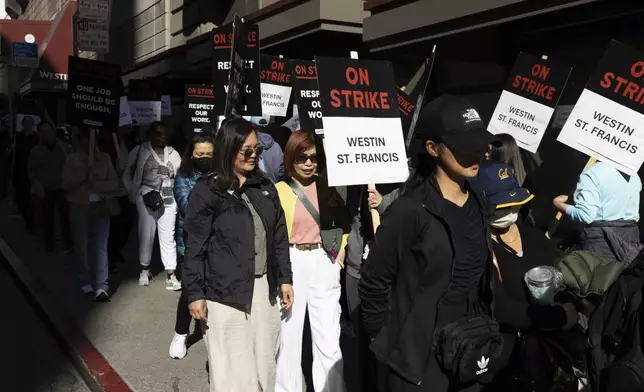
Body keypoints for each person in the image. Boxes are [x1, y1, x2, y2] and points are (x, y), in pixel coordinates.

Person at [359, 95, 502, 392]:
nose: (475, 152)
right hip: (418, 365)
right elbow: (374, 282)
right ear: (432, 149)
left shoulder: (478, 200)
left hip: (469, 352)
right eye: (463, 145)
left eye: (479, 142)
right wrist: (389, 341)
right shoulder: (409, 211)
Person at [183, 117, 293, 392]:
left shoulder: (265, 187)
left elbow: (278, 235)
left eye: (257, 150)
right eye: (247, 150)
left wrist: (285, 278)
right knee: (232, 368)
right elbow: (194, 245)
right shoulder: (208, 191)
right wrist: (195, 292)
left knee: (265, 364)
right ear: (229, 149)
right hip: (223, 294)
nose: (254, 156)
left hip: (262, 290)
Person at [473, 162, 579, 391]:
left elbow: (563, 270)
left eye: (514, 205)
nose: (508, 212)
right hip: (506, 360)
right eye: (500, 207)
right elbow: (498, 307)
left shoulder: (532, 235)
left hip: (546, 353)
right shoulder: (475, 248)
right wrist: (556, 317)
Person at [274, 130, 350, 392]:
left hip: (323, 259)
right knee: (288, 337)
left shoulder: (329, 186)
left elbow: (344, 224)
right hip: (292, 262)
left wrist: (338, 257)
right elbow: (274, 236)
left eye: (314, 158)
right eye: (301, 157)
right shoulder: (278, 191)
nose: (308, 163)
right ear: (290, 159)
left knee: (329, 336)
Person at [168, 131, 214, 360]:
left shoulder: (222, 174)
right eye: (200, 154)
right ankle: (181, 333)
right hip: (191, 244)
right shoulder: (183, 176)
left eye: (209, 154)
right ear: (192, 155)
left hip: (218, 244)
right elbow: (188, 208)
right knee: (190, 290)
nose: (205, 157)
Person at [123, 121, 182, 290]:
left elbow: (181, 175)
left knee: (168, 236)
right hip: (147, 196)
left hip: (169, 197)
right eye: (158, 134)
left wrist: (171, 174)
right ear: (150, 135)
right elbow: (127, 173)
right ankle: (144, 269)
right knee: (146, 234)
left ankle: (171, 275)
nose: (162, 137)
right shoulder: (140, 151)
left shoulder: (173, 154)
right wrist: (134, 194)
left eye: (164, 134)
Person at [62, 128, 118, 301]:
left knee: (100, 247)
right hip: (79, 207)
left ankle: (102, 285)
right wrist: (82, 175)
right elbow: (65, 183)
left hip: (101, 206)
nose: (89, 144)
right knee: (82, 245)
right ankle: (84, 279)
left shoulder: (105, 158)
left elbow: (114, 182)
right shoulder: (72, 159)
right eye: (86, 140)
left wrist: (97, 184)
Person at [553, 161, 643, 263]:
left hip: (600, 245)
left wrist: (559, 204)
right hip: (630, 240)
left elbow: (585, 216)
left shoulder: (592, 174)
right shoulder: (634, 176)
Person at [27, 121, 73, 254]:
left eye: (49, 131)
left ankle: (68, 244)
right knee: (48, 218)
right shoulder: (35, 151)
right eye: (44, 132)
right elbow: (30, 170)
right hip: (45, 189)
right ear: (40, 134)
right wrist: (36, 184)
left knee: (65, 216)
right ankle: (50, 245)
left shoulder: (64, 148)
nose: (47, 134)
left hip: (62, 188)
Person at [99, 124, 138, 271]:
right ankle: (109, 256)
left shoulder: (131, 142)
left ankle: (116, 250)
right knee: (113, 227)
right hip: (112, 191)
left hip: (127, 190)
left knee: (127, 223)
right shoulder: (105, 141)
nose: (128, 127)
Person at [13, 116, 40, 232]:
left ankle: (33, 223)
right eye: (26, 123)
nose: (27, 125)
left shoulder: (36, 138)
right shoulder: (17, 136)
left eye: (30, 122)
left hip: (33, 172)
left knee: (32, 199)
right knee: (21, 199)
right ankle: (27, 220)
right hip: (19, 172)